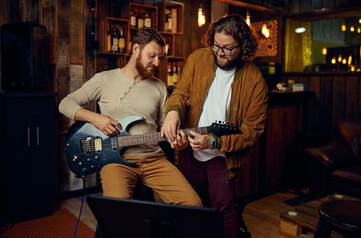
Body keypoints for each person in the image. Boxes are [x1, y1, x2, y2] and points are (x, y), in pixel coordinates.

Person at [59, 28, 202, 208]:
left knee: (194, 204)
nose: (156, 62)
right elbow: (65, 104)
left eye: (159, 58)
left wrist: (179, 143)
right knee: (119, 210)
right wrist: (96, 119)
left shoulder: (159, 87)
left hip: (154, 159)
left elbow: (165, 126)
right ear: (136, 49)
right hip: (115, 161)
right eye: (152, 56)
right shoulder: (104, 79)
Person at [161, 15, 268, 238]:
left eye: (228, 48)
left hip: (223, 158)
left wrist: (214, 142)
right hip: (191, 151)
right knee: (187, 207)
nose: (220, 53)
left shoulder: (255, 80)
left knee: (223, 210)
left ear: (243, 46)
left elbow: (251, 132)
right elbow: (180, 93)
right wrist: (172, 113)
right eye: (216, 45)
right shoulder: (198, 59)